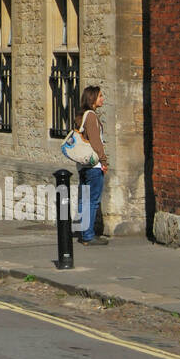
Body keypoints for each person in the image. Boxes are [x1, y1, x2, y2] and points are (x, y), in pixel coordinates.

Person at [75, 85, 109, 245]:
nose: (102, 99)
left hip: (83, 166)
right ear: (92, 98)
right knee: (92, 201)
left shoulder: (81, 116)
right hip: (93, 166)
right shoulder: (91, 117)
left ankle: (84, 234)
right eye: (100, 96)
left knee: (84, 200)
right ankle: (88, 235)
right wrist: (103, 161)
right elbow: (96, 142)